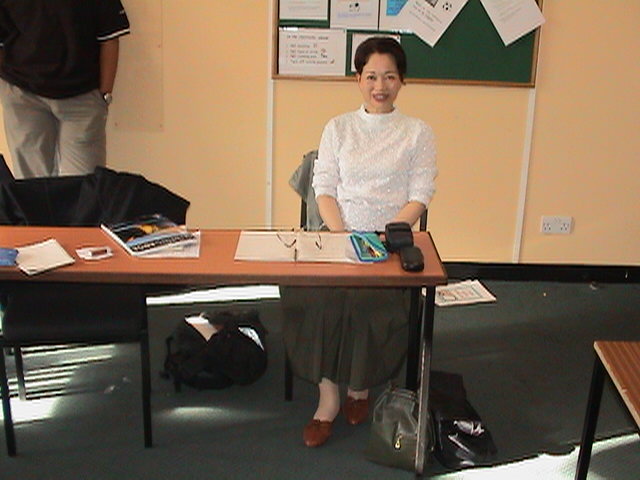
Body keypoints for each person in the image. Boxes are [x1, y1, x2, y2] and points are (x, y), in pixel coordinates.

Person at [281, 37, 437, 448]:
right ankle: (328, 398)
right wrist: (342, 236)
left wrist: (385, 236)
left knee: (367, 300)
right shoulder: (338, 127)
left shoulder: (417, 132)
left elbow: (420, 194)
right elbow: (324, 189)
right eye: (371, 76)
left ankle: (360, 387)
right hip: (338, 233)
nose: (379, 86)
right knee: (316, 298)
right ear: (358, 79)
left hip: (388, 240)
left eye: (389, 77)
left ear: (401, 80)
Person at [0, 0, 130, 178]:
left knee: (84, 186)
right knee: (31, 187)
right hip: (23, 97)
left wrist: (105, 95)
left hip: (81, 98)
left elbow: (110, 37)